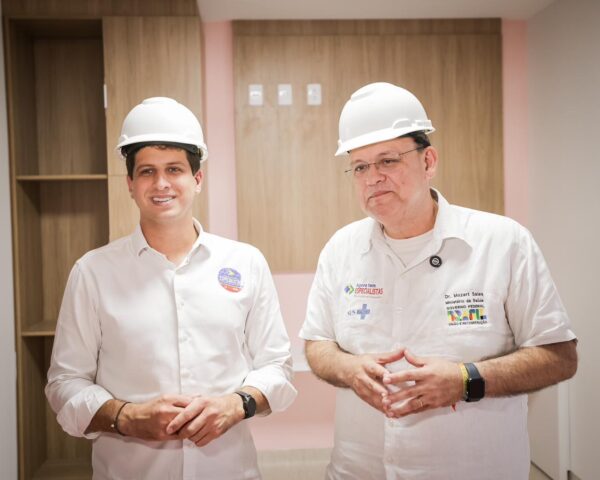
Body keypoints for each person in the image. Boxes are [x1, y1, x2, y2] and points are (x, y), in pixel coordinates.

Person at [299, 82, 577, 480]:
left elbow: (559, 356)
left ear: (428, 161)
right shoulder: (340, 249)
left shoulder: (502, 242)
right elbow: (317, 343)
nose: (372, 178)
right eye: (359, 166)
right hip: (359, 469)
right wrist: (349, 369)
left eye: (387, 160)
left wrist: (466, 380)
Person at [46, 97, 297, 480]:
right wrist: (127, 417)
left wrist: (237, 404)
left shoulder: (245, 262)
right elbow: (64, 383)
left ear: (197, 179)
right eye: (147, 171)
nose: (161, 183)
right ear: (130, 184)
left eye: (174, 169)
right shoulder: (93, 272)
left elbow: (277, 366)